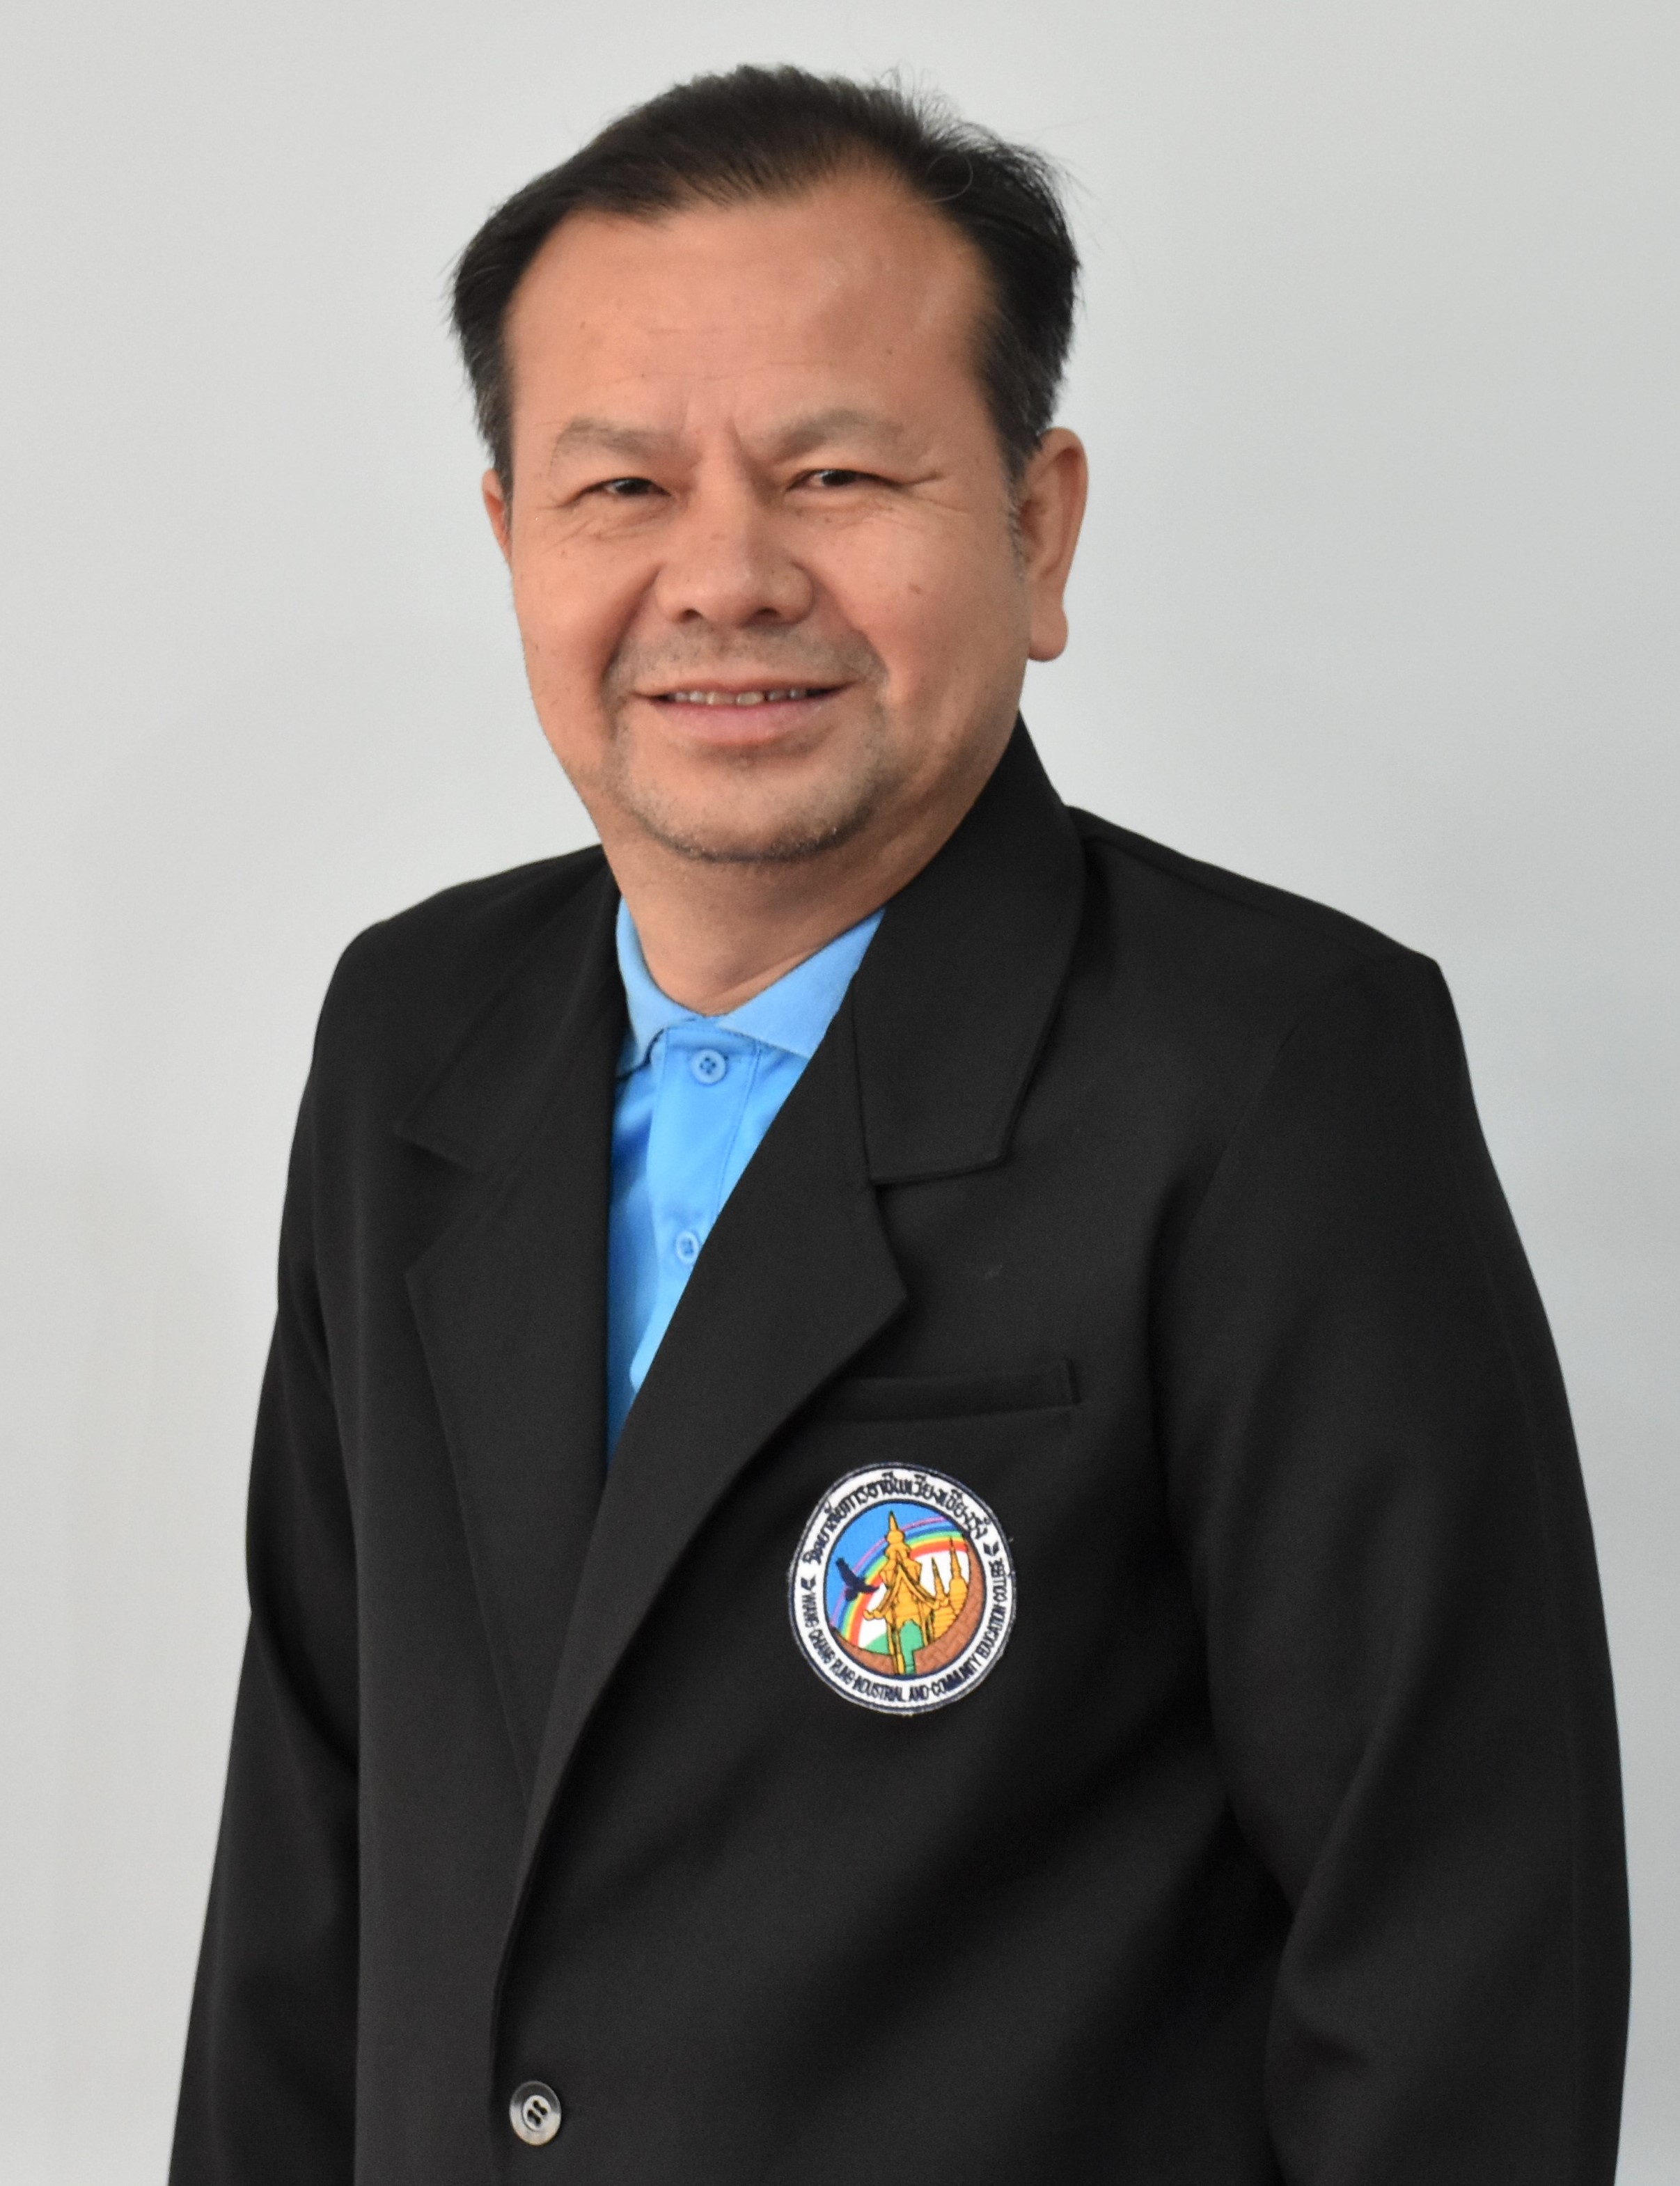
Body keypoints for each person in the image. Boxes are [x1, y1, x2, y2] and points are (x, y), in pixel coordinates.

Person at [171, 65, 1628, 2186]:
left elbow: (1458, 1948)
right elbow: (311, 1841)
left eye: (835, 473)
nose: (725, 575)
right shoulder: (414, 1031)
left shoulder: (1275, 1068)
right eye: (621, 486)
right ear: (511, 540)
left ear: (1038, 528)